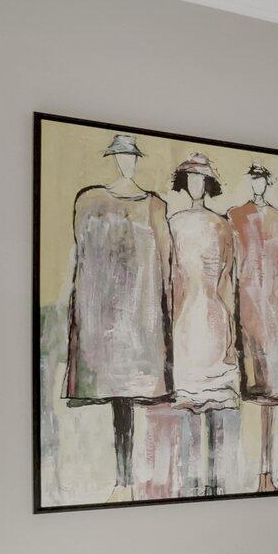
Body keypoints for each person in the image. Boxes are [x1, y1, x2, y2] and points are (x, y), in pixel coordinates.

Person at [64, 133, 171, 498]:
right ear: (114, 158)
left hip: (140, 326)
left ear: (137, 160)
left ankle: (127, 480)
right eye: (121, 156)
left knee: (128, 405)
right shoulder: (90, 201)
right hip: (108, 325)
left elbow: (166, 268)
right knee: (118, 405)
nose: (127, 162)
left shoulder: (155, 206)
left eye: (131, 156)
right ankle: (122, 479)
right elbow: (84, 264)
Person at [168, 153, 241, 494]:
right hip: (185, 321)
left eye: (202, 178)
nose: (196, 184)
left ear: (209, 183)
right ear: (184, 182)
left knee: (217, 403)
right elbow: (171, 279)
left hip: (213, 317)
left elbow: (227, 279)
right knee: (189, 404)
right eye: (191, 178)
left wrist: (229, 330)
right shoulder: (174, 223)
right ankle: (192, 482)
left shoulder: (222, 225)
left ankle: (216, 480)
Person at [231, 162, 278, 491]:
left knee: (270, 399)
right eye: (253, 179)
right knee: (244, 396)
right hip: (244, 315)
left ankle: (267, 474)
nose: (257, 184)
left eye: (261, 179)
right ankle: (251, 475)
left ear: (268, 183)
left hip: (271, 317)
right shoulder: (235, 217)